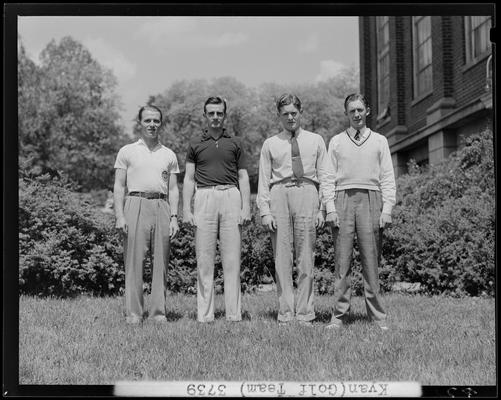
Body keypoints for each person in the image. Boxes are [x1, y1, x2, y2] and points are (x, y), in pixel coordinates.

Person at [256, 93, 337, 326]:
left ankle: (305, 313)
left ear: (300, 113)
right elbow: (263, 178)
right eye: (285, 114)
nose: (290, 117)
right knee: (281, 256)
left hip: (307, 192)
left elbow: (325, 175)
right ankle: (285, 312)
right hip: (279, 193)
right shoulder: (270, 144)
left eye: (294, 113)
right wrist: (265, 211)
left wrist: (323, 208)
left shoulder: (316, 140)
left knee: (305, 256)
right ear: (279, 116)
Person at [326, 93, 396, 331]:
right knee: (342, 261)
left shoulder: (379, 141)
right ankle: (339, 315)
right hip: (342, 198)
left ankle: (377, 317)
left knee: (371, 260)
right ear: (346, 113)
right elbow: (327, 178)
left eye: (360, 110)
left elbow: (387, 177)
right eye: (351, 110)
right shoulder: (336, 141)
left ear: (368, 111)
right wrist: (330, 208)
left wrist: (387, 209)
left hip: (371, 198)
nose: (356, 114)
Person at [183, 96, 251, 323]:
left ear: (224, 115)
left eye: (219, 113)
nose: (215, 117)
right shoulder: (195, 144)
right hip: (204, 197)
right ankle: (205, 314)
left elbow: (243, 176)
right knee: (204, 258)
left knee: (232, 259)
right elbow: (189, 179)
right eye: (211, 113)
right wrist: (187, 209)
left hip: (231, 196)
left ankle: (233, 314)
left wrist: (246, 207)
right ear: (205, 116)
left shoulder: (236, 143)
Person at [114, 105, 180, 324]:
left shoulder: (168, 154)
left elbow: (172, 189)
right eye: (148, 121)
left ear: (161, 123)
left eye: (156, 121)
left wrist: (174, 217)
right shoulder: (127, 151)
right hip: (135, 203)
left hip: (161, 206)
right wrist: (120, 216)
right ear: (140, 123)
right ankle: (134, 314)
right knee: (134, 261)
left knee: (161, 263)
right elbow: (118, 185)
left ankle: (158, 314)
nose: (152, 125)